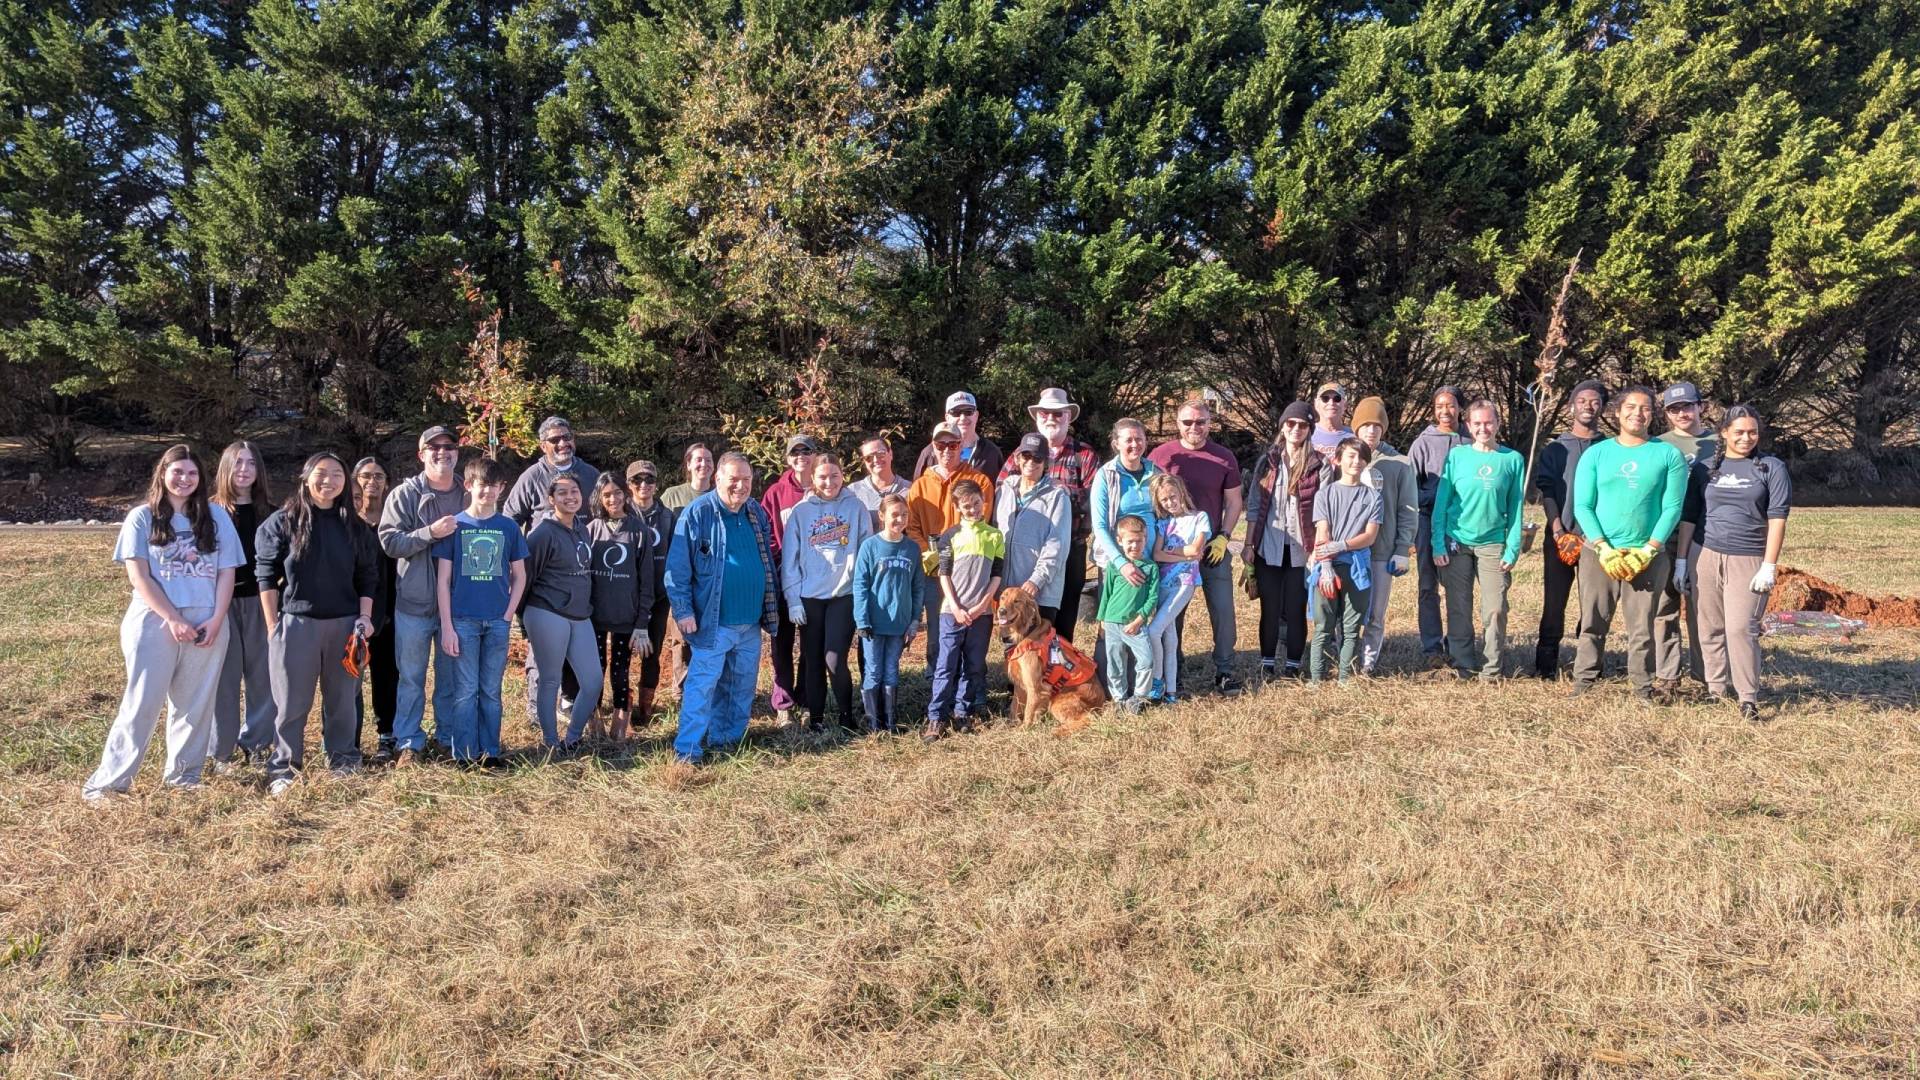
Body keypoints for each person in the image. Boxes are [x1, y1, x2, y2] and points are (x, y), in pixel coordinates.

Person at [83, 445, 244, 802]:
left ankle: (184, 777)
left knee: (195, 705)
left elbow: (226, 573)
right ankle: (108, 784)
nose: (184, 479)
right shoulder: (141, 517)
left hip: (207, 620)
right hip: (154, 621)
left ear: (201, 479)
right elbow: (139, 577)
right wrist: (171, 618)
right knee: (142, 703)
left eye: (191, 473)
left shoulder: (216, 517)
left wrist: (217, 619)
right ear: (163, 473)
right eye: (177, 472)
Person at [258, 452, 381, 794]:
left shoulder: (355, 527)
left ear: (347, 482)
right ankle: (284, 767)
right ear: (306, 477)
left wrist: (365, 619)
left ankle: (343, 759)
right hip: (296, 624)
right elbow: (266, 577)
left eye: (337, 474)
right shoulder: (282, 522)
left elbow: (367, 577)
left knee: (342, 701)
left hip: (345, 627)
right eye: (321, 473)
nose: (329, 481)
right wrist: (273, 627)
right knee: (291, 703)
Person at [1570, 386, 1689, 700]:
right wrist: (1603, 546)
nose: (1638, 413)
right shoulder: (1596, 454)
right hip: (1599, 553)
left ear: (1653, 414)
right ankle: (1584, 682)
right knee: (1593, 622)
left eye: (1645, 408)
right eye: (1631, 407)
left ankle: (1642, 687)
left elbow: (1672, 507)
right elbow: (1583, 505)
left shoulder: (1668, 455)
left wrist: (1650, 548)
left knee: (1642, 627)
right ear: (1617, 412)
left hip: (1647, 556)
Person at [665, 453, 779, 765]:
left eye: (747, 480)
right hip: (713, 622)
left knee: (741, 686)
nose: (741, 486)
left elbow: (765, 559)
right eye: (734, 480)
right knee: (702, 688)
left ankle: (727, 740)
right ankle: (687, 751)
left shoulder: (755, 511)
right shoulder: (698, 513)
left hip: (750, 622)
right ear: (718, 479)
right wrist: (684, 610)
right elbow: (676, 568)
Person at [1692, 406, 1791, 722]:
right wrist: (1683, 561)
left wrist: (1769, 566)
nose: (1746, 437)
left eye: (1752, 432)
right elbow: (1689, 517)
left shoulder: (1770, 468)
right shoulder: (1705, 468)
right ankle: (1715, 689)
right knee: (1709, 626)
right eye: (1739, 432)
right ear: (1724, 433)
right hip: (1704, 553)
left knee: (1741, 628)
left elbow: (1777, 518)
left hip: (1747, 556)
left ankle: (1747, 697)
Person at [431, 456, 528, 766]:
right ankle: (464, 753)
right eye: (481, 485)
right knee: (465, 690)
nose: (487, 492)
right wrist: (447, 625)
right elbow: (443, 581)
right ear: (468, 486)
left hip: (497, 621)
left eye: (494, 486)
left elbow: (520, 575)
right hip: (463, 621)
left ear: (502, 488)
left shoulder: (508, 527)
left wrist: (508, 613)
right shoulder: (455, 526)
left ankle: (490, 752)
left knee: (490, 690)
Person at [377, 425, 467, 760]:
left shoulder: (469, 494)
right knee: (411, 679)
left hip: (457, 608)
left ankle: (446, 739)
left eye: (449, 447)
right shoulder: (403, 495)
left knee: (449, 681)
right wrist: (429, 532)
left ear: (457, 454)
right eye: (434, 448)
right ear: (421, 454)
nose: (442, 453)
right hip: (414, 606)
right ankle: (408, 742)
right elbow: (389, 542)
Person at [505, 416, 600, 721]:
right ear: (542, 445)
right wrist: (517, 561)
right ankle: (537, 711)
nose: (563, 444)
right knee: (542, 650)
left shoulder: (590, 475)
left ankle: (570, 699)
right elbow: (510, 520)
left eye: (567, 437)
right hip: (544, 575)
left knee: (579, 639)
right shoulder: (532, 477)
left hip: (584, 571)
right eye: (555, 440)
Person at [1147, 398, 1244, 693]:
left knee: (1223, 610)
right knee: (1171, 612)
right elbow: (1149, 500)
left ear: (1209, 423)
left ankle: (1225, 670)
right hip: (1173, 551)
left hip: (1211, 547)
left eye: (1200, 422)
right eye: (1187, 422)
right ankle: (1172, 671)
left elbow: (1234, 500)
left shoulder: (1224, 457)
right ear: (1177, 424)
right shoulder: (1160, 456)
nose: (1194, 427)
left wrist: (1224, 536)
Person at [1430, 401, 1527, 680]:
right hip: (1456, 543)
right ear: (1468, 426)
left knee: (1495, 608)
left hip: (1494, 543)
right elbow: (1441, 503)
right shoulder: (1457, 457)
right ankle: (1463, 664)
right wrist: (1438, 543)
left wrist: (1513, 548)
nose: (1483, 428)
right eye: (1477, 423)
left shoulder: (1512, 460)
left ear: (1497, 424)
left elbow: (1517, 507)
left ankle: (1491, 669)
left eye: (1488, 423)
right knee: (1459, 607)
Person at [782, 454, 872, 733]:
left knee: (835, 658)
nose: (829, 481)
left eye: (834, 475)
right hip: (810, 597)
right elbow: (790, 560)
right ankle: (816, 718)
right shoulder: (801, 511)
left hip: (843, 594)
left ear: (842, 475)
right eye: (822, 476)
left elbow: (866, 551)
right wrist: (793, 599)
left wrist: (862, 593)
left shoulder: (856, 508)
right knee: (813, 659)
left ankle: (846, 716)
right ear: (813, 478)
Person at [1003, 387, 1100, 643]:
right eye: (1046, 413)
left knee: (1063, 616)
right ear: (1037, 417)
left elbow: (1094, 500)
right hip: (1024, 551)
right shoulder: (1023, 452)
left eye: (1058, 414)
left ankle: (1060, 673)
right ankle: (1023, 676)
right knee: (1020, 616)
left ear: (1068, 416)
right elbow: (1000, 490)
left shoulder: (1084, 455)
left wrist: (1057, 496)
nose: (1051, 418)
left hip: (1071, 547)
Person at [521, 473, 605, 751]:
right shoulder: (543, 533)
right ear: (551, 499)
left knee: (592, 682)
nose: (570, 497)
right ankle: (550, 742)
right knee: (550, 679)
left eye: (574, 492)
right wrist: (523, 619)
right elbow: (525, 576)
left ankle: (572, 737)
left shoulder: (583, 528)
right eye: (562, 493)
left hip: (580, 614)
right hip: (547, 610)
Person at [207, 440, 276, 767]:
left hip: (261, 603)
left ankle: (259, 745)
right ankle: (222, 751)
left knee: (263, 677)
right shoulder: (208, 513)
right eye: (238, 463)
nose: (244, 470)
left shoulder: (272, 514)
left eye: (250, 464)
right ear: (226, 468)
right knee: (225, 679)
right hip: (220, 606)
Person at [1532, 381, 1607, 678]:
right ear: (1571, 406)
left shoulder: (1609, 448)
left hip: (1596, 539)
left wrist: (1598, 534)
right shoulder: (1555, 449)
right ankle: (1545, 665)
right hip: (1561, 536)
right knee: (1554, 602)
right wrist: (1557, 529)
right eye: (1582, 400)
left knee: (1593, 604)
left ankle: (1589, 664)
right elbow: (1547, 490)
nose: (1588, 406)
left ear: (1602, 407)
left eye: (1595, 401)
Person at [1243, 402, 1321, 680]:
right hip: (1269, 545)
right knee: (1271, 607)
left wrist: (1319, 548)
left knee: (1296, 607)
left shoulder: (1318, 464)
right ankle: (1266, 663)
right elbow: (1254, 505)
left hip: (1303, 549)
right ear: (1282, 426)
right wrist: (1249, 544)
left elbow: (1324, 510)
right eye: (1291, 424)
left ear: (1310, 429)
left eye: (1302, 425)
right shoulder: (1268, 461)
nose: (1296, 429)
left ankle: (1292, 665)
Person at [907, 421, 995, 667]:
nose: (947, 450)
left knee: (970, 626)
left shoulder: (980, 482)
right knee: (937, 628)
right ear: (933, 447)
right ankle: (937, 679)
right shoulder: (920, 486)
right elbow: (912, 527)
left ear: (962, 445)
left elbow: (980, 522)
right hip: (933, 569)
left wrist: (953, 556)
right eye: (941, 444)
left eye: (953, 444)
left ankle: (969, 683)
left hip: (968, 568)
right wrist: (929, 554)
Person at [924, 479, 1004, 741]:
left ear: (984, 502)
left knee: (974, 664)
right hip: (952, 612)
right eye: (966, 506)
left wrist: (983, 605)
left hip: (982, 614)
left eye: (977, 504)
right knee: (945, 664)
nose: (973, 510)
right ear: (958, 507)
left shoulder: (994, 535)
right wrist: (956, 607)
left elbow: (996, 575)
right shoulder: (950, 536)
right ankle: (936, 717)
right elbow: (943, 574)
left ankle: (962, 712)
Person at [1654, 381, 1717, 692]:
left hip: (1705, 536)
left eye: (1687, 406)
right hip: (1666, 535)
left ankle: (1707, 674)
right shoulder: (1657, 446)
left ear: (1700, 407)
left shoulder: (1721, 442)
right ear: (1667, 413)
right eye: (1674, 409)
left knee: (1700, 608)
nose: (1682, 413)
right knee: (1664, 606)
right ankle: (1667, 674)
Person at [585, 472, 654, 744]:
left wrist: (642, 623)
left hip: (626, 617)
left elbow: (646, 580)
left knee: (621, 671)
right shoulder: (591, 530)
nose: (612, 499)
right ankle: (594, 722)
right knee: (595, 670)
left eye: (616, 493)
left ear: (625, 494)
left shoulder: (639, 531)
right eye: (606, 495)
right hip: (595, 618)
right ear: (599, 499)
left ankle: (620, 723)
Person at [1350, 398, 1418, 676]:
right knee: (1349, 610)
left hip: (1382, 550)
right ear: (1356, 428)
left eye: (1377, 425)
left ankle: (1368, 662)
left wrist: (1402, 547)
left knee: (1375, 613)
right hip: (1350, 549)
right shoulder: (1346, 458)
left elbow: (1408, 508)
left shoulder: (1399, 464)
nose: (1371, 431)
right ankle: (1346, 658)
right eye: (1365, 424)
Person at [1308, 438, 1383, 685]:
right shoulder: (1325, 494)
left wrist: (1343, 545)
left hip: (1358, 568)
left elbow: (1370, 536)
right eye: (1351, 456)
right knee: (1323, 627)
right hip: (1328, 567)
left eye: (1361, 457)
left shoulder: (1373, 497)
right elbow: (1322, 532)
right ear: (1338, 460)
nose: (1356, 462)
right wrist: (1326, 566)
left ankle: (1345, 679)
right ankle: (1316, 679)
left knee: (1351, 628)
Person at [1408, 386, 1468, 668]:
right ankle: (1432, 646)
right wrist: (1431, 499)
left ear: (1460, 408)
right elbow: (1410, 485)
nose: (1446, 411)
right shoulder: (1423, 442)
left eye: (1451, 405)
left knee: (1457, 586)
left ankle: (1457, 644)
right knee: (1428, 585)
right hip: (1427, 519)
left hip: (1460, 522)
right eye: (1440, 406)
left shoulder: (1471, 441)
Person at [760, 433, 818, 727]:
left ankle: (807, 700)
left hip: (818, 580)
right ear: (787, 458)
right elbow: (766, 533)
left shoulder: (826, 488)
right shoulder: (775, 493)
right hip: (784, 579)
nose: (801, 457)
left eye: (806, 451)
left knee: (810, 642)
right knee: (780, 642)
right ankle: (783, 703)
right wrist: (782, 561)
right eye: (795, 452)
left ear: (814, 456)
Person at [853, 493, 923, 734]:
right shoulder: (870, 547)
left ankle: (890, 721)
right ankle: (873, 723)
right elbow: (860, 585)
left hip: (899, 622)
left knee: (892, 668)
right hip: (873, 622)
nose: (900, 519)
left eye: (904, 515)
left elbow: (917, 587)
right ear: (882, 516)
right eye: (895, 515)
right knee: (873, 670)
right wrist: (862, 619)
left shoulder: (912, 549)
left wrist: (915, 620)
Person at [995, 432, 1073, 625]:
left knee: (1037, 652)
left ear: (1046, 462)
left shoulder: (1057, 496)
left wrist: (1036, 581)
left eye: (1037, 457)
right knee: (1011, 652)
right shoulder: (1004, 490)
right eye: (1026, 455)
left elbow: (1057, 545)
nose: (1031, 462)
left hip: (1040, 593)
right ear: (1017, 458)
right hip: (1008, 593)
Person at [351, 456, 398, 761]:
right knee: (349, 675)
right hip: (351, 611)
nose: (373, 482)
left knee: (387, 674)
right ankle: (347, 740)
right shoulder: (346, 522)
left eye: (379, 476)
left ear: (387, 483)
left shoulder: (395, 521)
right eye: (366, 476)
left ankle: (387, 735)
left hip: (391, 610)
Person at [1145, 474, 1208, 703]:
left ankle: (1157, 679)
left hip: (1184, 582)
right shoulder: (1164, 523)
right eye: (1164, 500)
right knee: (1168, 637)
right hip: (1163, 582)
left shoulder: (1200, 518)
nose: (1170, 502)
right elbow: (1157, 554)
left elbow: (1197, 549)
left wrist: (1175, 554)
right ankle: (1170, 692)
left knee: (1154, 630)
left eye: (1173, 496)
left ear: (1181, 492)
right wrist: (1185, 552)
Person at [625, 460, 676, 727]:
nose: (643, 485)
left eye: (649, 480)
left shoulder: (667, 516)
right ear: (628, 484)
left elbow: (675, 553)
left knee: (651, 651)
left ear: (656, 483)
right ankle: (622, 705)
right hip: (625, 594)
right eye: (637, 480)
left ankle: (645, 707)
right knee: (622, 652)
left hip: (658, 595)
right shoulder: (621, 514)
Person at [1096, 515, 1158, 710]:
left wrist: (1140, 619)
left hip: (1135, 624)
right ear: (1120, 541)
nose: (1134, 546)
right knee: (1115, 663)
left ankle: (1139, 697)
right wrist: (1102, 619)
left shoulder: (1150, 568)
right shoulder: (1115, 566)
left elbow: (1152, 597)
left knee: (1146, 659)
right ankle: (1119, 699)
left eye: (1139, 541)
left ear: (1145, 539)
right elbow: (1106, 594)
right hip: (1112, 622)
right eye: (1130, 541)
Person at [912, 390, 1004, 480]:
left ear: (976, 415)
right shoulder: (930, 453)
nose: (963, 418)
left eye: (968, 412)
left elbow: (1002, 492)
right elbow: (917, 489)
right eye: (956, 413)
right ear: (947, 417)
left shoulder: (992, 453)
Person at [849, 434, 910, 528]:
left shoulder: (910, 490)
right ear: (864, 462)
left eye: (880, 454)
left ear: (890, 454)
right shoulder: (853, 492)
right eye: (868, 457)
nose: (876, 460)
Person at [660, 442, 714, 511]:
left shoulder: (722, 496)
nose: (704, 464)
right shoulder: (672, 496)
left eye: (708, 460)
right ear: (688, 465)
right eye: (699, 460)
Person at [1310, 381, 1354, 459]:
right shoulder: (1307, 433)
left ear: (1345, 405)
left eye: (1337, 398)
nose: (1331, 403)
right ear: (1316, 404)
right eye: (1325, 398)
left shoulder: (1354, 437)